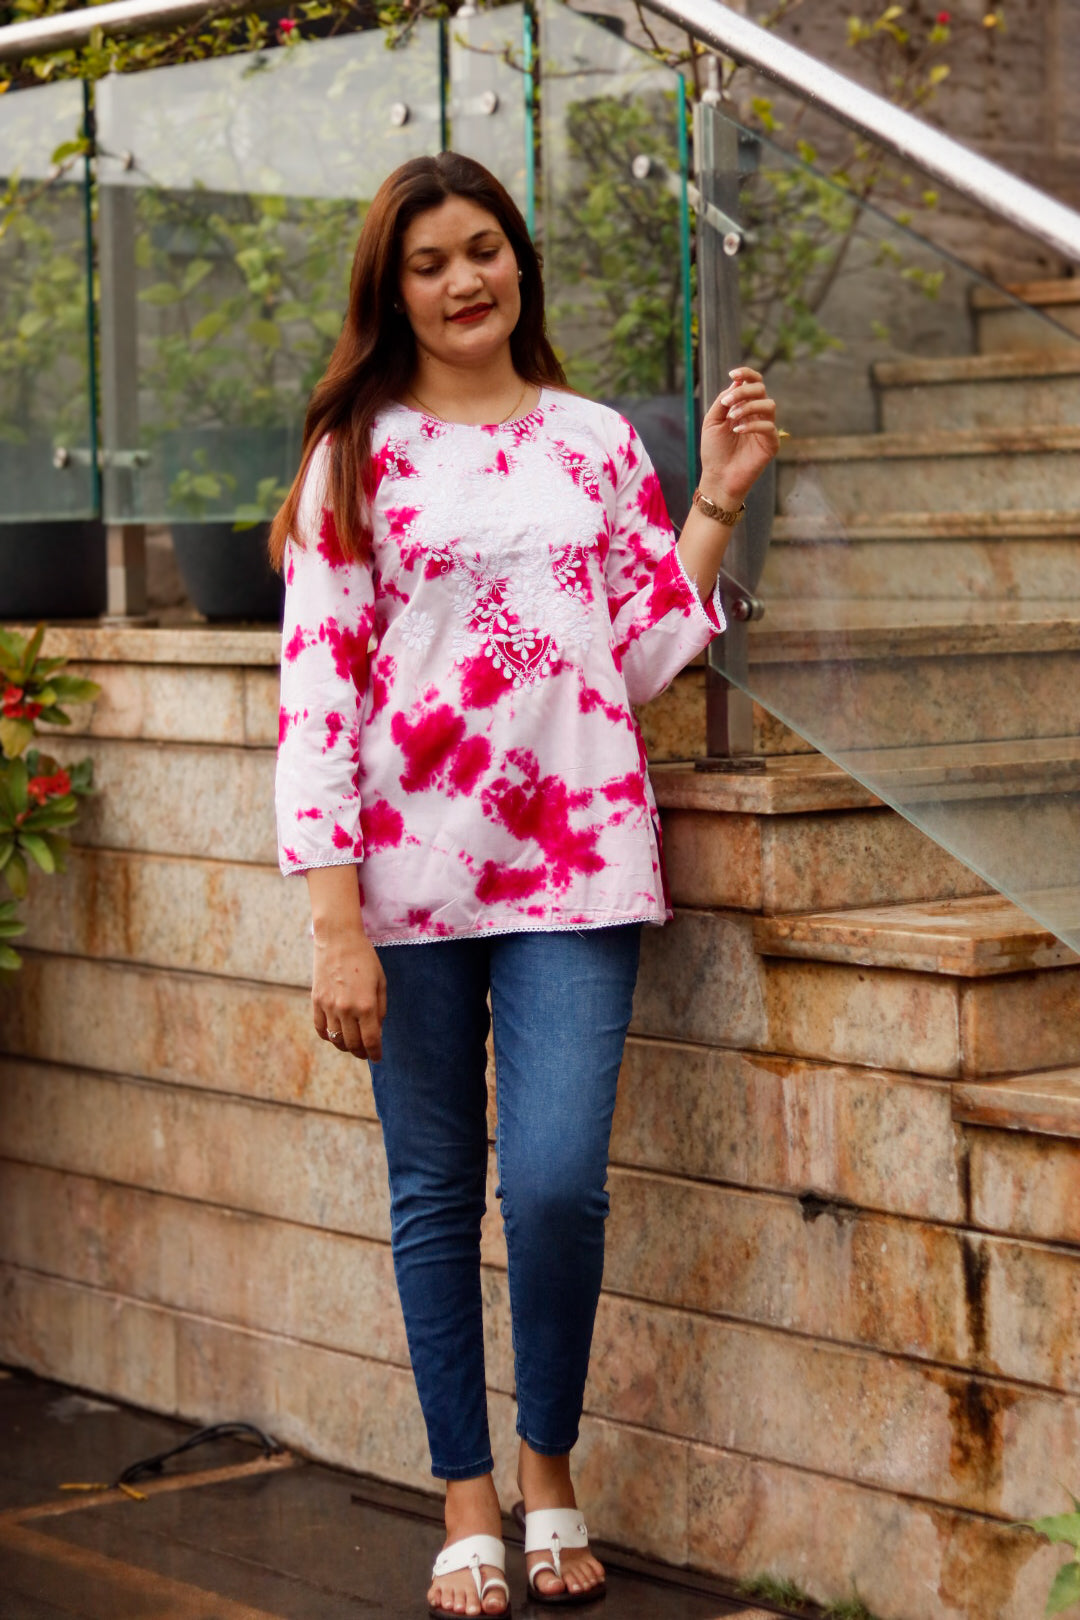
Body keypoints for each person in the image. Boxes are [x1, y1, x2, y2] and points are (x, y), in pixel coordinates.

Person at [270, 151, 778, 1620]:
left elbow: (626, 662)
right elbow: (316, 696)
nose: (462, 280)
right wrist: (330, 925)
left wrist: (720, 502)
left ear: (518, 263)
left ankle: (548, 1465)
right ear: (393, 291)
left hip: (579, 863)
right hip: (403, 886)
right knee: (435, 1189)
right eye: (428, 263)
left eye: (482, 249)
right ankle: (467, 1497)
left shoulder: (594, 441)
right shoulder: (355, 457)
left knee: (553, 1186)